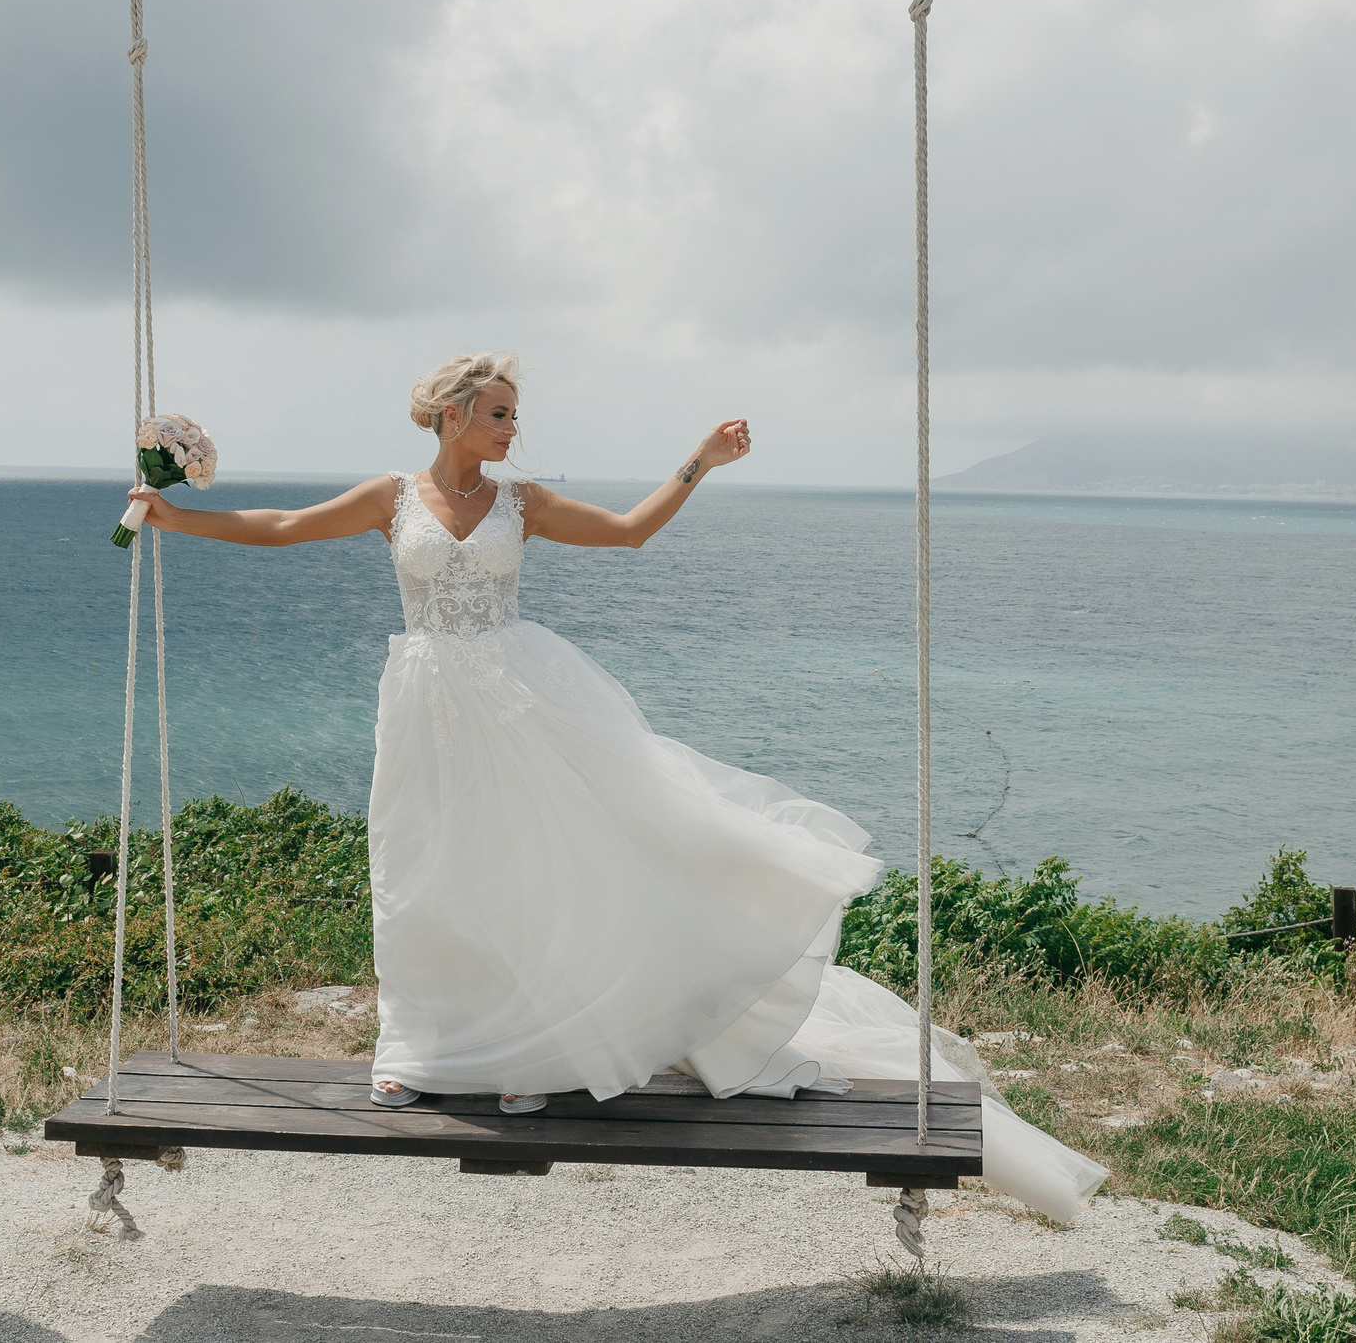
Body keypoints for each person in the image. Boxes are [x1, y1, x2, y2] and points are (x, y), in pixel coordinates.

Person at [120, 351, 1105, 1219]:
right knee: (422, 873)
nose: (514, 428)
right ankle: (416, 1054)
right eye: (499, 413)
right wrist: (176, 516)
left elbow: (632, 531)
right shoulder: (391, 496)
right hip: (428, 706)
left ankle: (523, 1058)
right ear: (453, 416)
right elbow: (285, 526)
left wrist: (698, 462)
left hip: (518, 700)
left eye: (515, 413)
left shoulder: (523, 504)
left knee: (523, 875)